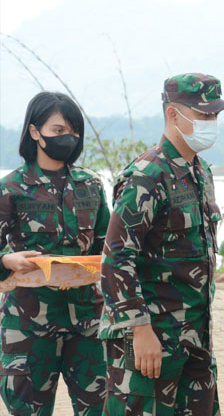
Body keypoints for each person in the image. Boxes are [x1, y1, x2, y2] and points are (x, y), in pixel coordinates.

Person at [100, 73, 224, 415]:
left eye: (215, 115)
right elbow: (116, 257)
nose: (211, 123)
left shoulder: (200, 172)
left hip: (195, 336)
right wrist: (139, 328)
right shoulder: (146, 176)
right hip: (151, 336)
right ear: (173, 114)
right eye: (204, 114)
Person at [0, 91, 110, 416]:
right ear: (35, 132)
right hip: (29, 325)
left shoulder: (90, 185)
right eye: (59, 130)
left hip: (87, 322)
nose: (68, 138)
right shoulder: (11, 188)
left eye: (74, 132)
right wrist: (6, 260)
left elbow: (109, 246)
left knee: (101, 410)